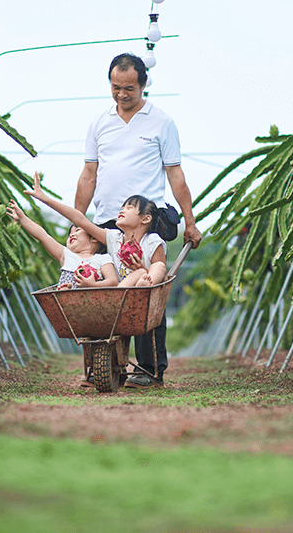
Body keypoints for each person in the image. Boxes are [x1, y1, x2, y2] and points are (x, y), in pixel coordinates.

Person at [74, 52, 203, 387]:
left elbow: (175, 175)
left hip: (146, 222)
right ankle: (99, 366)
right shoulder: (99, 123)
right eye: (116, 87)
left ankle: (148, 368)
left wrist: (190, 221)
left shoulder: (161, 122)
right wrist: (78, 220)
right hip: (106, 222)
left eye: (129, 88)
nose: (122, 94)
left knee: (147, 291)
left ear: (143, 85)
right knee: (102, 292)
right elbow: (89, 175)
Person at [24, 173, 168, 287]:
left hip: (144, 290)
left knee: (157, 267)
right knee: (140, 272)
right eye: (122, 207)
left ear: (145, 219)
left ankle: (143, 286)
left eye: (129, 208)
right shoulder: (114, 238)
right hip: (122, 292)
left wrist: (142, 268)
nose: (122, 210)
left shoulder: (152, 242)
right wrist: (45, 199)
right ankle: (123, 293)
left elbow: (164, 278)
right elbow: (80, 219)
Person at [6, 199, 118, 289]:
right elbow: (43, 236)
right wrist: (23, 218)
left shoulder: (103, 259)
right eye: (69, 234)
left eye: (77, 230)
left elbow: (113, 281)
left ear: (94, 238)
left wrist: (92, 285)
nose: (71, 235)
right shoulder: (66, 255)